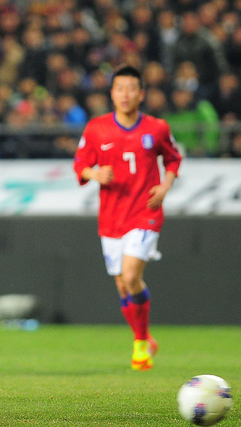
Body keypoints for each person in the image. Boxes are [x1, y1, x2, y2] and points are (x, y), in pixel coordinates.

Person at [73, 64, 182, 371]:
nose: (125, 94)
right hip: (111, 217)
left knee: (131, 276)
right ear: (112, 93)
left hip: (145, 211)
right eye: (120, 88)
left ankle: (139, 345)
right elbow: (80, 164)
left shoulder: (157, 128)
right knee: (122, 285)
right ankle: (144, 338)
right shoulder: (96, 128)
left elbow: (173, 159)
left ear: (141, 94)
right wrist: (95, 173)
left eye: (131, 88)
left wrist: (165, 186)